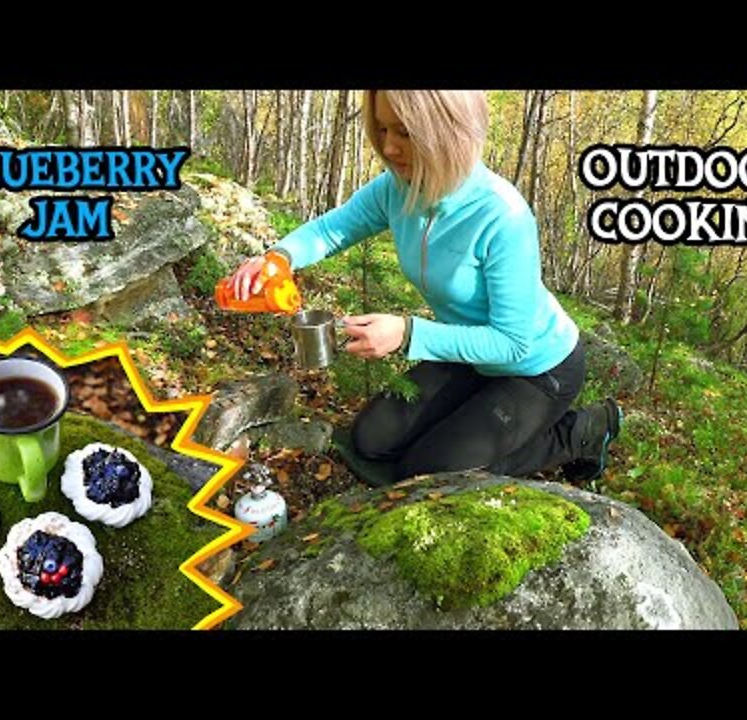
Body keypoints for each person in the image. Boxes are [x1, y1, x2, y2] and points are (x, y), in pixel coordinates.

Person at [229, 90, 621, 482]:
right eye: (382, 128)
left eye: (405, 132)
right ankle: (470, 421)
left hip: (536, 369)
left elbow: (512, 342)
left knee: (427, 472)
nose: (388, 146)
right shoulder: (397, 188)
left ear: (448, 131)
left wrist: (406, 333)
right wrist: (278, 258)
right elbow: (335, 228)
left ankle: (580, 432)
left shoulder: (503, 216)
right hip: (468, 354)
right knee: (370, 439)